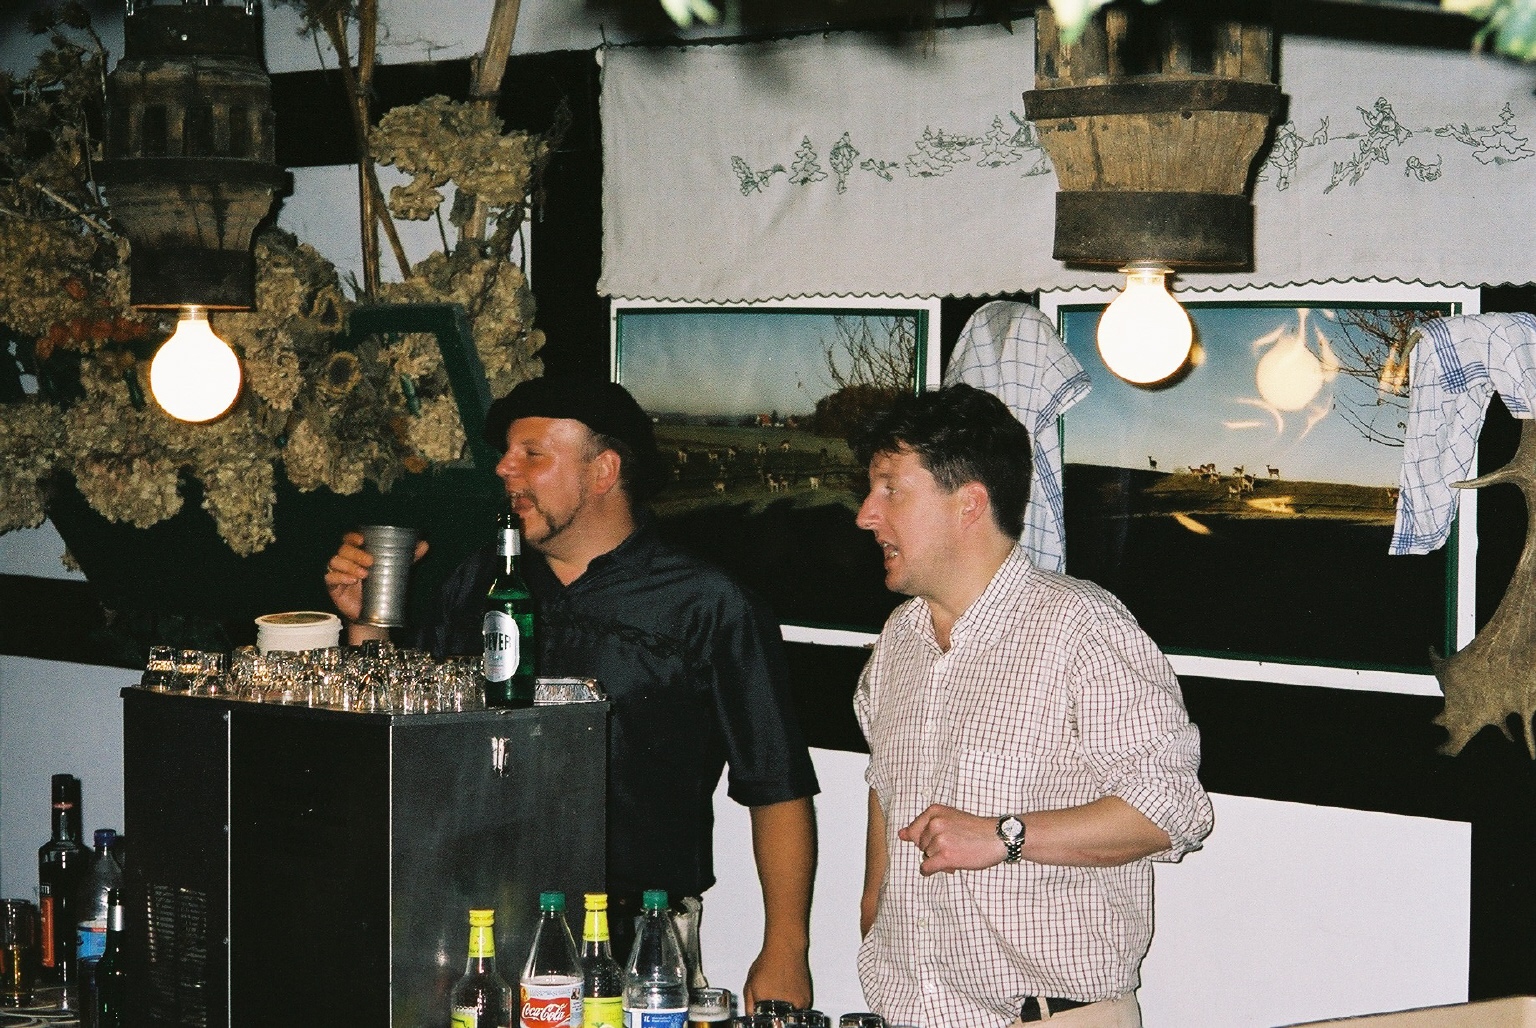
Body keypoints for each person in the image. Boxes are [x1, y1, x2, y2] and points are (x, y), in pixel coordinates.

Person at [324, 376, 820, 1007]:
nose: (504, 468)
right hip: (476, 921)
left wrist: (785, 950)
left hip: (635, 934)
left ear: (603, 470)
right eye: (507, 452)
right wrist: (365, 624)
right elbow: (414, 739)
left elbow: (776, 787)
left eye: (533, 453)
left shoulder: (706, 603)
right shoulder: (477, 581)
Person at [850, 384, 1212, 1028]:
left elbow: (1172, 809)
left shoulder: (1082, 628)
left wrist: (1004, 836)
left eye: (890, 490)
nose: (865, 515)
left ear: (969, 504)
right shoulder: (898, 641)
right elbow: (886, 789)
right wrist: (874, 911)